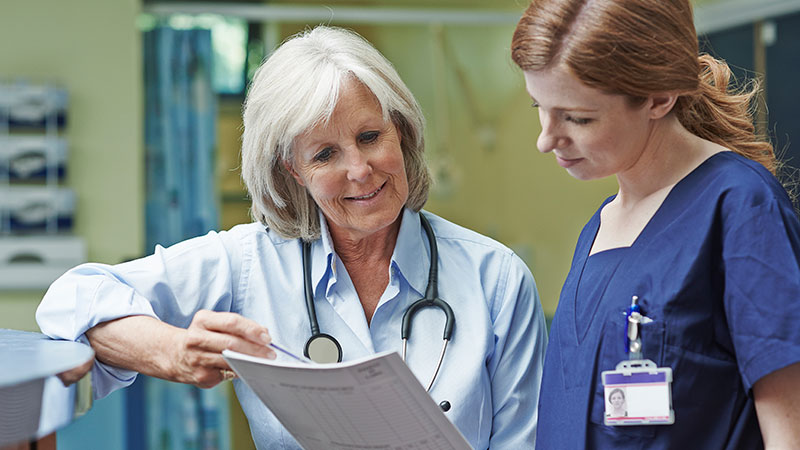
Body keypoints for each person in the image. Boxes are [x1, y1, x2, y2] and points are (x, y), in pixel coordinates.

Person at [36, 26, 547, 449]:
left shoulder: (495, 278)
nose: (360, 169)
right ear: (293, 172)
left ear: (403, 133)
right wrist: (173, 352)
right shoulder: (249, 262)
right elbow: (71, 299)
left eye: (370, 137)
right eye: (325, 154)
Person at [510, 0, 800, 448]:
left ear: (659, 97)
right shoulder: (600, 226)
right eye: (539, 106)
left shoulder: (739, 207)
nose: (546, 139)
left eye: (577, 117)